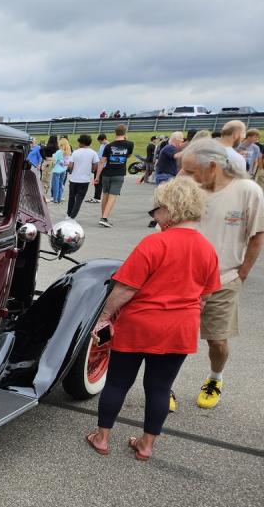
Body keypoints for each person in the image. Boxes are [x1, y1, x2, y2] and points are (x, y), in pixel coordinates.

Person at [85, 177, 219, 460]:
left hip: (139, 325)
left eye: (156, 210)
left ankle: (102, 437)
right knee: (160, 388)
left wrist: (104, 318)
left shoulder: (154, 243)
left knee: (118, 382)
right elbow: (205, 297)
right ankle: (146, 445)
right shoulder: (208, 249)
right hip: (179, 329)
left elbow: (125, 288)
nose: (155, 216)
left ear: (171, 209)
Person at [178, 138, 264, 409]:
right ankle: (164, 384)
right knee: (174, 338)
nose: (186, 176)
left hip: (224, 279)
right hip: (183, 279)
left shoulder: (247, 190)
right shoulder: (191, 189)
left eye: (191, 170)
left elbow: (257, 235)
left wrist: (242, 273)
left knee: (217, 340)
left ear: (213, 166)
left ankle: (215, 378)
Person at [94, 124, 134, 228]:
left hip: (106, 173)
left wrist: (97, 177)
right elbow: (128, 155)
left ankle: (103, 216)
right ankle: (104, 218)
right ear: (125, 132)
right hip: (119, 173)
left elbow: (102, 162)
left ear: (115, 132)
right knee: (112, 196)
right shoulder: (130, 144)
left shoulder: (108, 146)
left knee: (105, 195)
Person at [66, 134, 100, 219]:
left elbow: (70, 165)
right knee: (79, 199)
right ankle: (73, 216)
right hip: (85, 180)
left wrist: (70, 171)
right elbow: (96, 164)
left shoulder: (75, 152)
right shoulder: (93, 153)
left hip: (74, 179)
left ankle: (69, 214)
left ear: (81, 142)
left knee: (71, 197)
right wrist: (92, 170)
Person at [87, 134, 108, 203]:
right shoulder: (102, 145)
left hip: (103, 166)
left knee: (98, 182)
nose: (100, 143)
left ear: (104, 139)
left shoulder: (108, 146)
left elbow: (104, 157)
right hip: (99, 165)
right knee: (97, 182)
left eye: (100, 141)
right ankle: (96, 197)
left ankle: (97, 198)